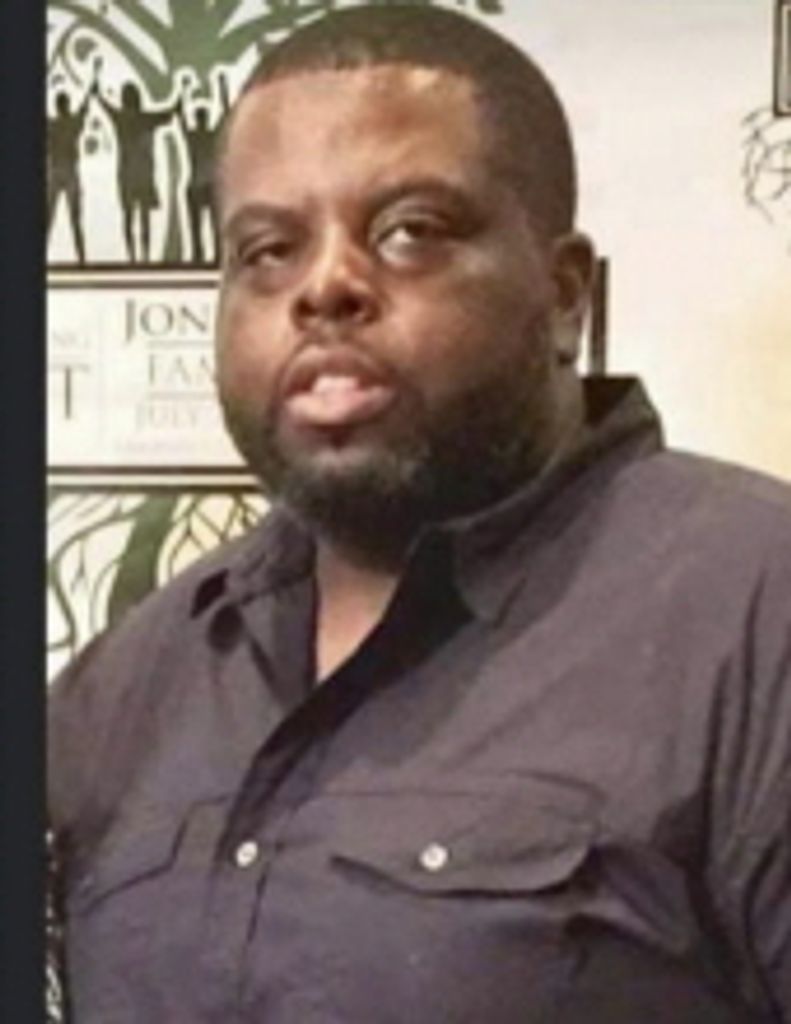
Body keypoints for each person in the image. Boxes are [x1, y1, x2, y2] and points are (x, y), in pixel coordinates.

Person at [48, 6, 791, 1022]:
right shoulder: (136, 676)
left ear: (563, 294)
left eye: (408, 232)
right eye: (267, 249)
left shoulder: (753, 609)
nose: (324, 287)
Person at [92, 79, 180, 263]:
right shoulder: (145, 119)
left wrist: (97, 92)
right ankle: (145, 255)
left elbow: (106, 106)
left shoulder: (121, 118)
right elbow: (169, 113)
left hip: (126, 173)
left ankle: (132, 255)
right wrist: (180, 96)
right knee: (144, 216)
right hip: (144, 173)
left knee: (129, 215)